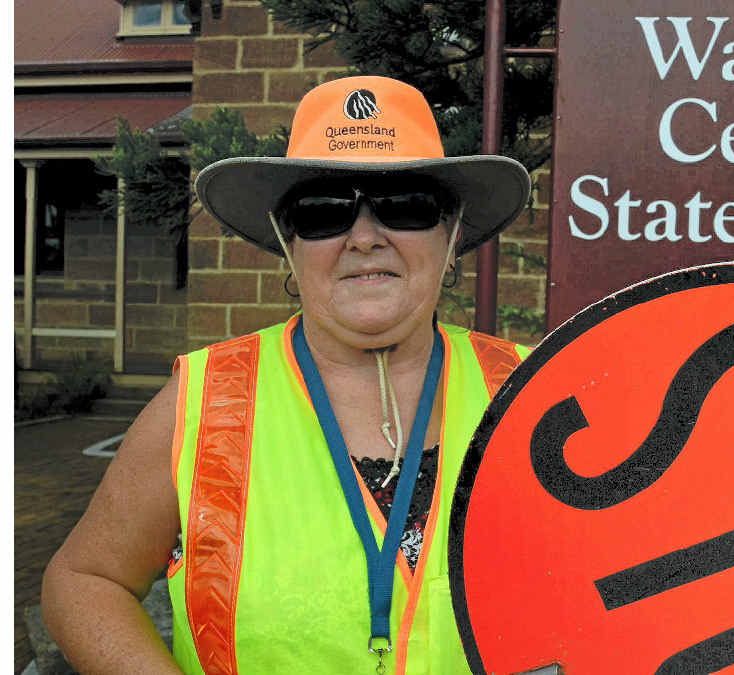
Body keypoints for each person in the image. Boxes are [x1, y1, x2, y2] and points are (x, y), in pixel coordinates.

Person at [42, 75, 533, 674]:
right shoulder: (207, 399)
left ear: (450, 234)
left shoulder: (529, 389)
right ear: (289, 242)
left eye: (405, 207)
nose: (364, 237)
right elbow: (85, 579)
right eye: (324, 213)